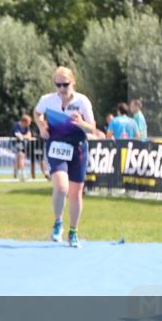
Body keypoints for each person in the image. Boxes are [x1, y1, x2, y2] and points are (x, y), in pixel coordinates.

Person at [34, 66, 96, 248]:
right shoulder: (47, 100)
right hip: (56, 145)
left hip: (77, 148)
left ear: (73, 83)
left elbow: (92, 127)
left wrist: (81, 122)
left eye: (65, 85)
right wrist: (42, 127)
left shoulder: (82, 101)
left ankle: (74, 231)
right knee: (61, 188)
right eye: (58, 85)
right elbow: (37, 112)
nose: (61, 89)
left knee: (76, 194)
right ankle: (57, 222)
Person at [12, 114, 34, 181]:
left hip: (23, 144)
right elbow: (18, 136)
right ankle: (23, 173)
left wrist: (23, 136)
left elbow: (29, 135)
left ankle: (15, 175)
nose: (29, 124)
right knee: (21, 156)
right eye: (28, 122)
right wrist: (24, 136)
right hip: (16, 144)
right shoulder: (16, 125)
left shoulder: (27, 127)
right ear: (24, 121)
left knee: (18, 159)